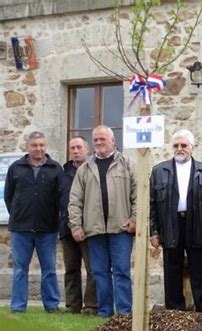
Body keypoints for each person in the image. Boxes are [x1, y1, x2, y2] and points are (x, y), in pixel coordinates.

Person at [68, 125, 137, 318]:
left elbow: (137, 194)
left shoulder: (127, 163)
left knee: (122, 272)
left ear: (113, 141)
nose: (99, 143)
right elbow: (74, 200)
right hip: (94, 230)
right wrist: (75, 225)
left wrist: (135, 219)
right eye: (96, 140)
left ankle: (124, 313)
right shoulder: (85, 168)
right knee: (99, 273)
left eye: (102, 139)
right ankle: (105, 312)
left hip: (121, 229)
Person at [150, 129, 202, 320]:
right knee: (172, 271)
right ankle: (174, 316)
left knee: (200, 271)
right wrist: (154, 231)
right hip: (170, 224)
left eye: (184, 145)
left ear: (192, 148)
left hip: (197, 224)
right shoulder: (159, 171)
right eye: (176, 145)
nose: (180, 149)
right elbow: (152, 205)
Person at [4, 131, 62, 313]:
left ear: (46, 146)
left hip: (47, 228)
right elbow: (9, 197)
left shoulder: (55, 168)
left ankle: (52, 306)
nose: (39, 148)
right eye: (34, 145)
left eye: (42, 145)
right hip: (21, 228)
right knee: (20, 270)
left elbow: (60, 197)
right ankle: (18, 307)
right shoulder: (16, 168)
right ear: (27, 147)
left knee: (49, 269)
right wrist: (18, 214)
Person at [59, 136, 97, 315]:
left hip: (89, 228)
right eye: (72, 148)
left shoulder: (94, 169)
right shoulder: (63, 173)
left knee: (92, 269)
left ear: (87, 149)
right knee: (71, 269)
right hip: (67, 228)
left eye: (79, 147)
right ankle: (72, 305)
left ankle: (90, 305)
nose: (75, 151)